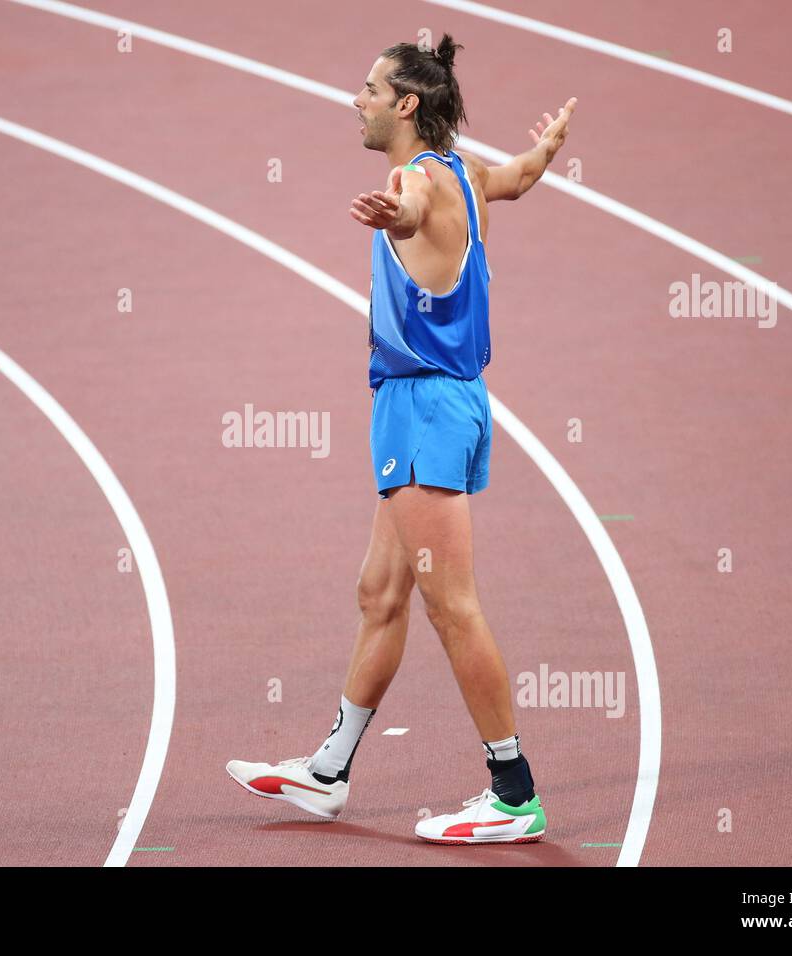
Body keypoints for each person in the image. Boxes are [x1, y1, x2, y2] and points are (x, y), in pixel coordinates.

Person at [227, 34, 575, 845]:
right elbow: (517, 178)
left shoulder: (418, 181)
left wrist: (397, 213)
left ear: (406, 104)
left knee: (452, 605)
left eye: (371, 89)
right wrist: (546, 147)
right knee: (381, 595)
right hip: (428, 405)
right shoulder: (471, 172)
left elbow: (414, 209)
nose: (358, 99)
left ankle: (513, 790)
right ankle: (330, 770)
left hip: (424, 409)